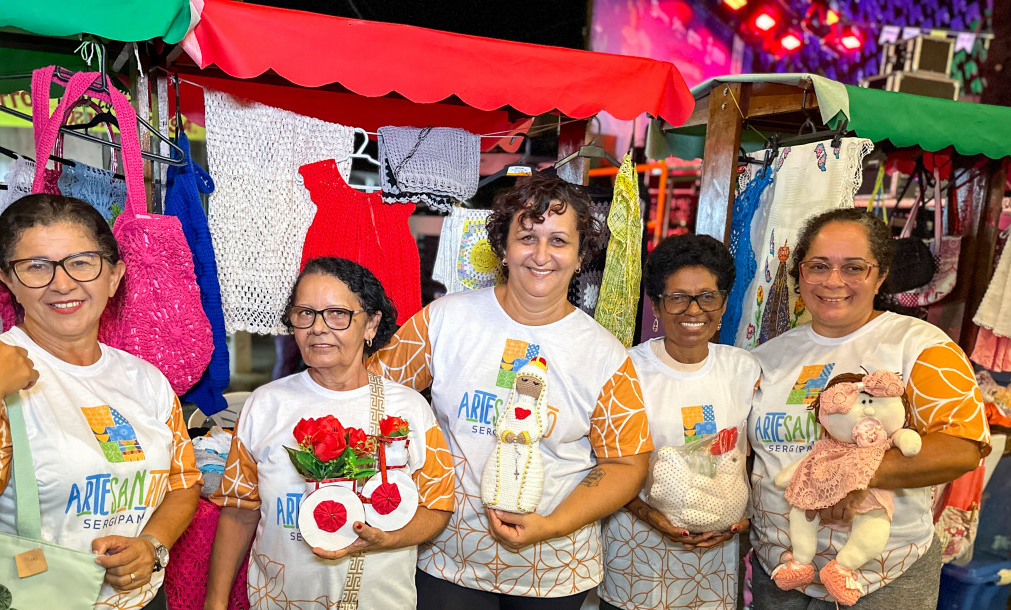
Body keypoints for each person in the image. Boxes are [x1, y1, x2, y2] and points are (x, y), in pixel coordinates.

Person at [370, 173, 653, 609]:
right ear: (503, 248)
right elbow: (374, 396)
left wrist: (553, 524)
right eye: (527, 237)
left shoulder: (607, 355)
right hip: (450, 557)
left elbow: (626, 463)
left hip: (555, 568)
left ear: (581, 256)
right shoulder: (444, 322)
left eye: (559, 241)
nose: (542, 255)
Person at [0, 194, 202, 609]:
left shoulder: (145, 380)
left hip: (139, 601)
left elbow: (182, 483)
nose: (63, 283)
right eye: (36, 267)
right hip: (25, 598)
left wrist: (151, 545)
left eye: (82, 262)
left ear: (114, 276)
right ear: (7, 281)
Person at [749, 208, 990, 608]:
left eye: (854, 268)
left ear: (880, 276)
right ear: (800, 274)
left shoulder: (919, 346)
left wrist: (852, 476)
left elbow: (962, 446)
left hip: (880, 579)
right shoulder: (769, 357)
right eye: (819, 266)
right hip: (780, 573)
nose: (833, 281)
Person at [206, 257, 455, 609]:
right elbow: (239, 512)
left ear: (371, 324)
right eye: (305, 313)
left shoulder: (409, 409)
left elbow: (438, 506)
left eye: (337, 313)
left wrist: (386, 538)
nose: (318, 328)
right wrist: (215, 603)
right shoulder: (265, 405)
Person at [599, 234, 758, 610]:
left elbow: (750, 461)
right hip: (637, 558)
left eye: (707, 297)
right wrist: (649, 515)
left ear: (722, 304)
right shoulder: (626, 369)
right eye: (677, 297)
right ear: (656, 304)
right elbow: (602, 464)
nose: (694, 310)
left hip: (714, 565)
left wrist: (743, 520)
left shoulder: (743, 369)